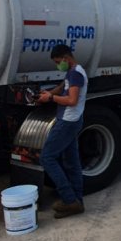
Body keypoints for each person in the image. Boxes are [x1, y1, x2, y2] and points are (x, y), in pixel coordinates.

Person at [36, 44, 87, 219]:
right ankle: (77, 201)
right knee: (71, 161)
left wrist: (50, 98)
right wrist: (48, 93)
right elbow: (63, 87)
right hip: (71, 121)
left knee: (47, 157)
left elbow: (72, 99)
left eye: (58, 62)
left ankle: (69, 199)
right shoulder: (73, 71)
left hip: (68, 122)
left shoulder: (76, 73)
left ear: (66, 58)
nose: (58, 65)